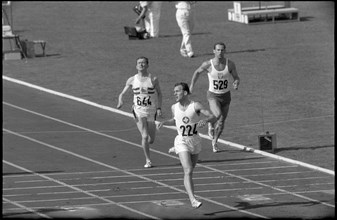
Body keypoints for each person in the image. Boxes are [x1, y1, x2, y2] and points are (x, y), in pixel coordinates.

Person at [157, 82, 215, 208]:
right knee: (187, 170)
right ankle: (193, 200)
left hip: (194, 141)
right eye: (174, 92)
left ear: (185, 92)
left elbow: (212, 116)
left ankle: (176, 149)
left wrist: (205, 121)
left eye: (177, 91)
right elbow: (175, 120)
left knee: (190, 170)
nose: (174, 94)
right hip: (181, 140)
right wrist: (164, 123)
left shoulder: (196, 106)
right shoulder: (174, 107)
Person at [189, 42, 240, 153]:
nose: (220, 52)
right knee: (218, 115)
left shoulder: (230, 64)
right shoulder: (208, 64)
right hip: (213, 95)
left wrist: (236, 82)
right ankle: (206, 122)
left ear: (225, 51)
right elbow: (197, 72)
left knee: (221, 122)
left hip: (226, 96)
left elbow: (236, 77)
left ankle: (215, 142)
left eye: (222, 50)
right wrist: (192, 85)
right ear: (214, 51)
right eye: (218, 50)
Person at [117, 57, 162, 168]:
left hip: (151, 111)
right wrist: (120, 101)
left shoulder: (153, 79)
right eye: (139, 63)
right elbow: (122, 93)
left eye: (143, 63)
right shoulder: (132, 80)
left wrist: (159, 108)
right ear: (136, 65)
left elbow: (160, 94)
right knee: (145, 136)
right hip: (138, 111)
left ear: (147, 65)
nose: (141, 65)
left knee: (151, 140)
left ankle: (149, 137)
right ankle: (148, 160)